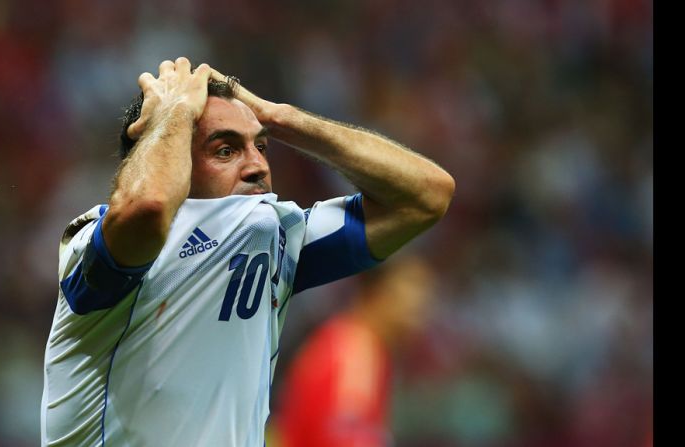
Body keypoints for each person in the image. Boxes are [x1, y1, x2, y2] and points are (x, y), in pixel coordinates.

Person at [40, 57, 455, 446]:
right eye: (225, 150)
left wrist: (281, 119)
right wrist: (175, 114)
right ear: (169, 158)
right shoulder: (97, 244)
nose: (258, 165)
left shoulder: (275, 239)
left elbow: (426, 196)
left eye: (261, 146)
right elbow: (147, 207)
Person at [272, 255, 437, 447]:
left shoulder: (357, 346)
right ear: (376, 292)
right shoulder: (354, 353)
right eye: (411, 291)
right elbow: (340, 439)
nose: (419, 309)